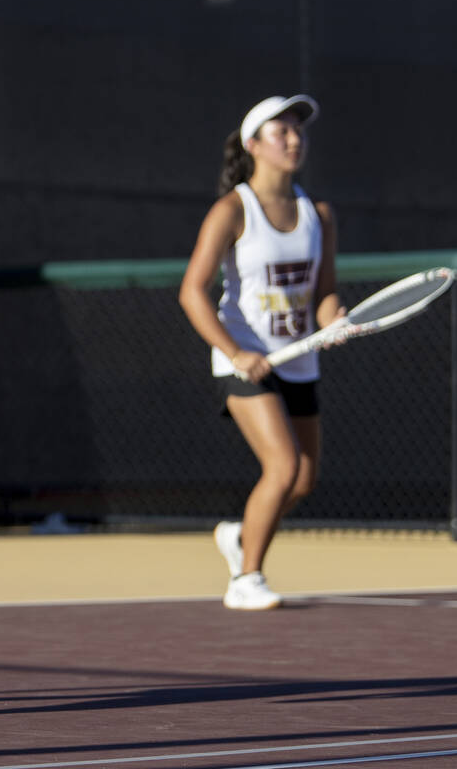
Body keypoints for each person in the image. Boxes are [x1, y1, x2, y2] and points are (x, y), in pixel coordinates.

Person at [178, 95, 343, 611]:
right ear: (253, 145)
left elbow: (324, 293)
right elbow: (192, 291)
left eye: (298, 131)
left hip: (299, 359)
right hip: (244, 357)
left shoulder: (319, 214)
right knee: (283, 466)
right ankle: (246, 577)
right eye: (281, 131)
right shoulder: (232, 210)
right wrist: (235, 351)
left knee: (306, 478)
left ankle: (238, 535)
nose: (294, 139)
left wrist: (333, 318)